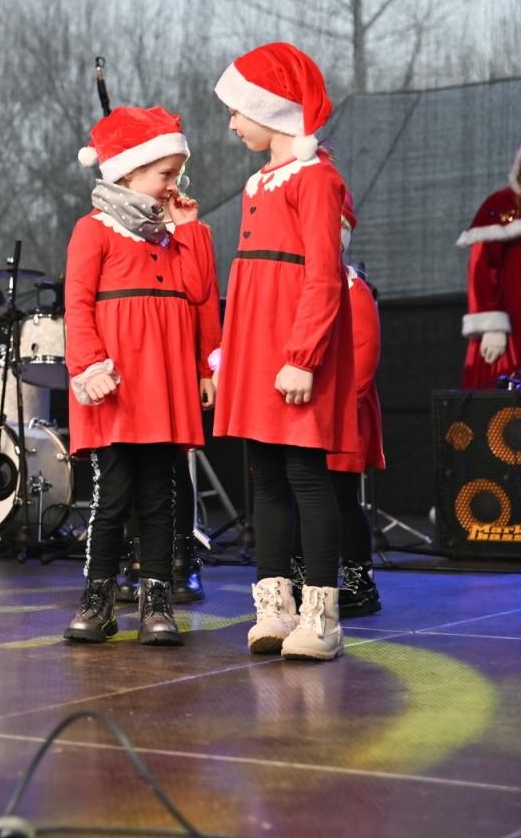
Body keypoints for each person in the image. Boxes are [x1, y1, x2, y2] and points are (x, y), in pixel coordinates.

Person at [213, 42, 355, 662]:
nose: (232, 123)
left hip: (295, 353)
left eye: (238, 111)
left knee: (305, 475)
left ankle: (322, 617)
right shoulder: (258, 182)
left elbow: (324, 275)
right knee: (264, 476)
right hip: (255, 348)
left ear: (269, 110)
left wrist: (302, 355)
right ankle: (275, 610)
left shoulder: (316, 176)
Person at [60, 107, 221, 647]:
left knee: (160, 497)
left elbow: (199, 293)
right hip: (118, 380)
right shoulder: (92, 230)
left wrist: (191, 228)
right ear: (130, 173)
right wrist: (89, 365)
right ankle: (98, 597)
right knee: (113, 497)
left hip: (166, 378)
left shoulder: (175, 236)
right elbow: (77, 304)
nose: (173, 185)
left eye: (177, 174)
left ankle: (157, 597)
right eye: (165, 175)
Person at [319, 191, 385, 617]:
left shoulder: (353, 290)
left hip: (342, 417)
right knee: (315, 499)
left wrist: (333, 411)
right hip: (314, 415)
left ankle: (361, 584)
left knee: (342, 500)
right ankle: (313, 579)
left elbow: (364, 357)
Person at [456, 143, 521, 389]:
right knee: (501, 417)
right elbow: (481, 267)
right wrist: (492, 327)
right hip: (511, 334)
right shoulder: (503, 204)